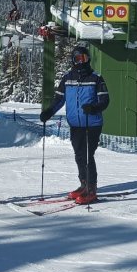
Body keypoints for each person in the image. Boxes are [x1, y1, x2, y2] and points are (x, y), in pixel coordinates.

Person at [39, 45, 110, 205]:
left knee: (87, 155)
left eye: (84, 58)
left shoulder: (96, 78)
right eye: (78, 58)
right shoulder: (67, 78)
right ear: (73, 60)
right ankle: (83, 184)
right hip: (75, 124)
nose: (81, 61)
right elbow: (59, 100)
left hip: (91, 123)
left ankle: (91, 189)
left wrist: (94, 108)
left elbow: (105, 101)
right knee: (79, 155)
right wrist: (49, 112)